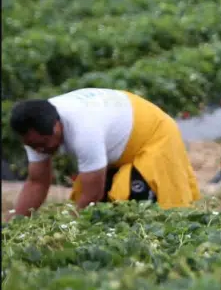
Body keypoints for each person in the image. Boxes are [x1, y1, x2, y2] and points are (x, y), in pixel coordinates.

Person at [6, 88, 201, 220]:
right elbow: (37, 182)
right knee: (102, 210)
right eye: (33, 146)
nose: (41, 150)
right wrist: (16, 224)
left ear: (57, 126)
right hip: (116, 137)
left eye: (44, 144)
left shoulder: (84, 130)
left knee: (137, 205)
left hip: (153, 134)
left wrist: (66, 224)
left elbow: (92, 194)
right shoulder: (34, 132)